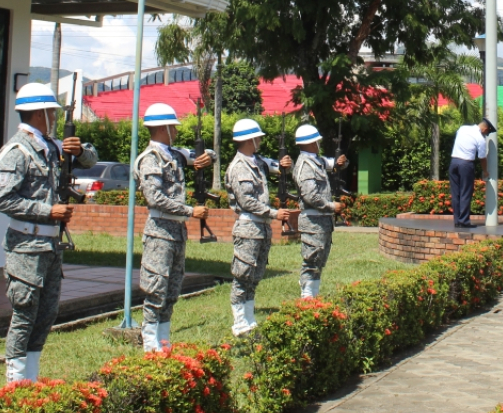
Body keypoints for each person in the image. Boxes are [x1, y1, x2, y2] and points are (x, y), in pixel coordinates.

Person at [0, 82, 97, 382]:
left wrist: (79, 149)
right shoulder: (17, 151)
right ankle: (16, 382)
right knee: (25, 314)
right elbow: (2, 199)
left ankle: (32, 378)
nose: (53, 116)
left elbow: (90, 159)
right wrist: (48, 211)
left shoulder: (52, 146)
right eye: (50, 111)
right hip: (26, 245)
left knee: (46, 315)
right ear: (39, 113)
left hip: (50, 245)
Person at [133, 103, 211, 352]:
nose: (176, 131)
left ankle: (164, 341)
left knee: (172, 289)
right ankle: (150, 343)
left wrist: (208, 157)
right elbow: (155, 198)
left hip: (176, 231)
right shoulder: (150, 159)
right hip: (160, 231)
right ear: (164, 128)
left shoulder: (174, 154)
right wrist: (190, 211)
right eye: (173, 127)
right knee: (156, 288)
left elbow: (206, 154)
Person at [225, 118, 291, 336]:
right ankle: (239, 322)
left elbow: (276, 166)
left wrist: (284, 164)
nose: (261, 141)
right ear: (250, 139)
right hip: (249, 228)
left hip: (261, 228)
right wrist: (274, 213)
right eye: (258, 137)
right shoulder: (239, 167)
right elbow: (247, 202)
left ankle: (249, 317)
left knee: (255, 275)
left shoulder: (258, 162)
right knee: (243, 275)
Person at [291, 124, 347, 298]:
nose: (319, 143)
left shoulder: (318, 161)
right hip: (313, 221)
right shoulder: (304, 165)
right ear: (310, 143)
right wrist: (331, 206)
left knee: (320, 261)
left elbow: (336, 164)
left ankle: (313, 295)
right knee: (312, 260)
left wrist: (342, 163)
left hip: (323, 221)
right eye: (316, 141)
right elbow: (311, 196)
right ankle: (307, 295)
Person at [448, 118, 494, 228]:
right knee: (465, 192)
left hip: (454, 162)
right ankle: (464, 221)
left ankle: (457, 221)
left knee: (456, 193)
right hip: (466, 164)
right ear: (485, 129)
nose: (486, 135)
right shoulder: (480, 139)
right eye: (487, 133)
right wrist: (485, 171)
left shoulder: (463, 128)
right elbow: (482, 158)